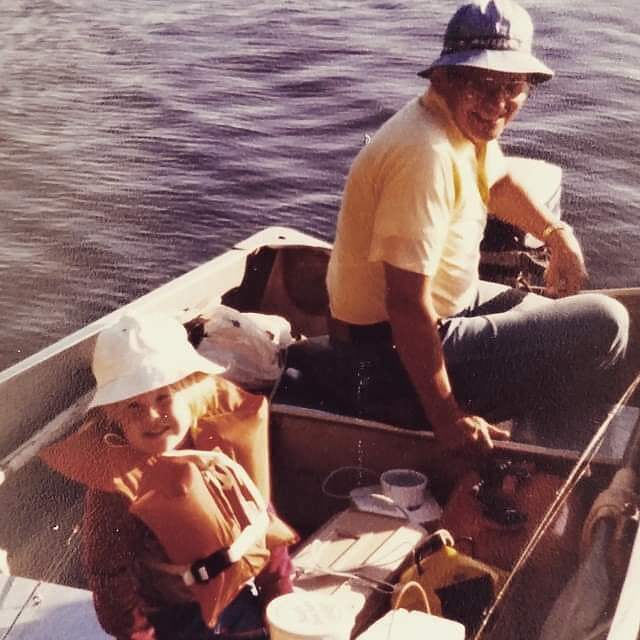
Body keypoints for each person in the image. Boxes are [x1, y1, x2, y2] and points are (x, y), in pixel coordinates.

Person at [326, 0, 630, 451]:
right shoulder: (424, 155)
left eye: (514, 86)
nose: (499, 104)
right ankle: (543, 464)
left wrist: (556, 235)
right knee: (605, 324)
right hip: (378, 363)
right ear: (443, 78)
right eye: (483, 84)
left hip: (452, 308)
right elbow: (407, 306)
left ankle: (539, 445)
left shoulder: (458, 127)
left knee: (555, 319)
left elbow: (500, 182)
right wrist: (447, 419)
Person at [40, 312, 297, 640]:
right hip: (171, 620)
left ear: (188, 390)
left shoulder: (223, 442)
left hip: (234, 596)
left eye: (164, 398)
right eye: (133, 407)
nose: (152, 416)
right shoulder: (114, 489)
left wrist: (280, 598)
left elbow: (262, 522)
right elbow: (109, 580)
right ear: (113, 417)